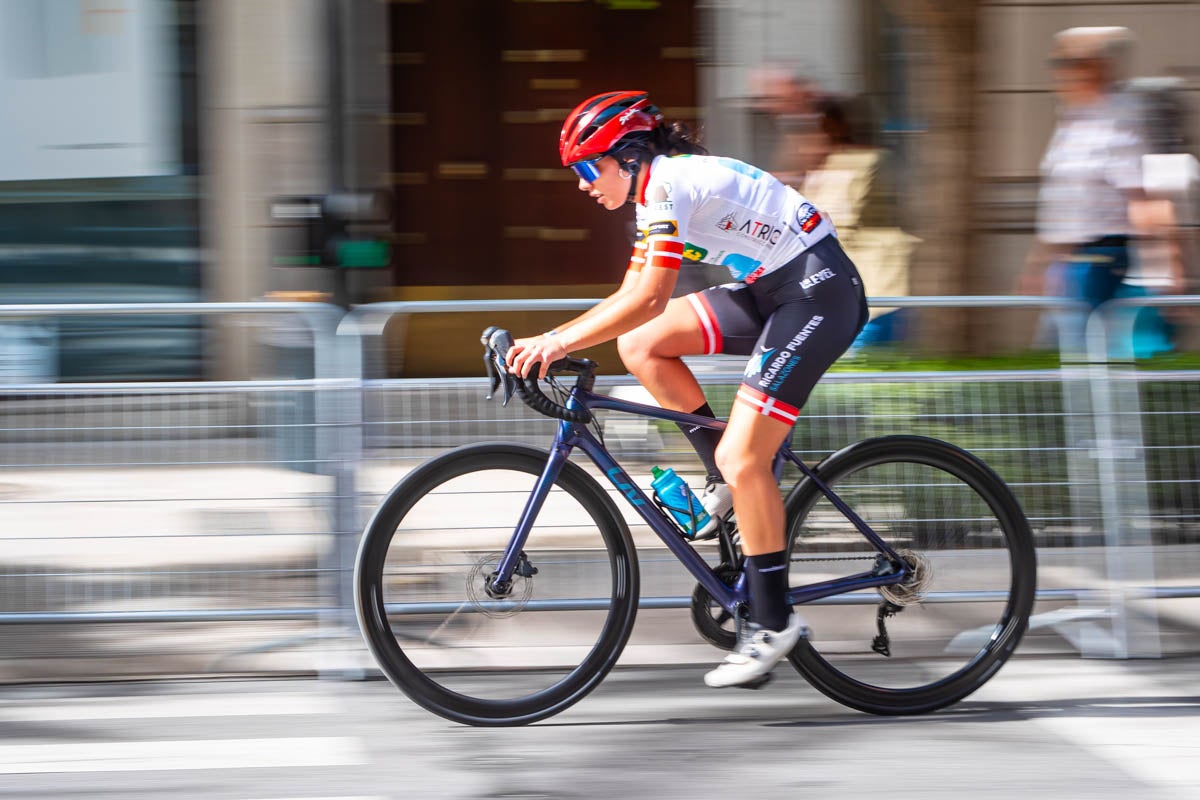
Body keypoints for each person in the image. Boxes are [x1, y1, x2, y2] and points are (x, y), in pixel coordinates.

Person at [505, 90, 868, 688]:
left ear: (626, 157)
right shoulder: (654, 195)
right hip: (771, 287)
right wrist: (553, 339)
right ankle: (723, 482)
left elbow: (649, 296)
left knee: (744, 453)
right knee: (642, 343)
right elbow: (634, 304)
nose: (581, 183)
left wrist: (555, 344)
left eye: (587, 168)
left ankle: (773, 622)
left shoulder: (669, 184)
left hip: (816, 290)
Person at [1019, 27, 1183, 355]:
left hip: (1102, 262)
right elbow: (1061, 204)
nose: (1059, 73)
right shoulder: (1073, 120)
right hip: (1070, 264)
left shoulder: (1118, 121)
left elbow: (1143, 199)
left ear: (1097, 67)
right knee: (1067, 365)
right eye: (1057, 63)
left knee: (1092, 365)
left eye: (1068, 63)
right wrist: (1039, 264)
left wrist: (1169, 267)